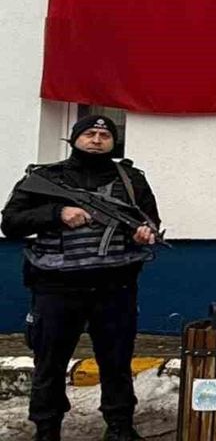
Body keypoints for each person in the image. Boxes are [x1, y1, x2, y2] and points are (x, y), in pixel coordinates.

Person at [2, 115, 161, 441]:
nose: (97, 139)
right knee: (49, 364)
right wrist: (57, 213)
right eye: (90, 133)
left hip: (115, 286)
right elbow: (11, 223)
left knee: (117, 362)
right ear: (74, 138)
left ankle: (119, 427)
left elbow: (149, 221)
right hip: (56, 286)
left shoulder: (131, 180)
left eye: (105, 134)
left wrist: (145, 234)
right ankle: (47, 429)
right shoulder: (45, 178)